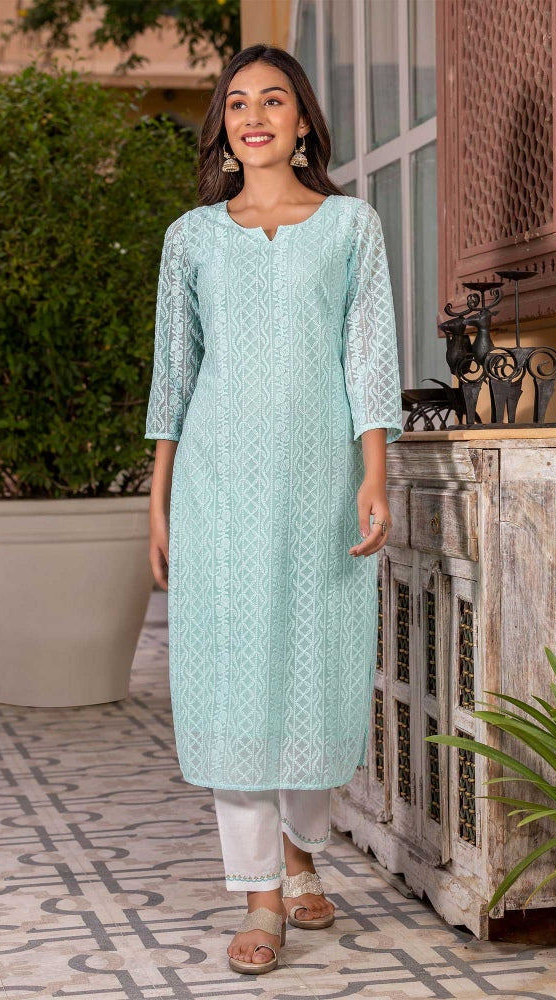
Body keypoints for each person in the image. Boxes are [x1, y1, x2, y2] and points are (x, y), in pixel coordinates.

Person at [144, 43, 403, 976]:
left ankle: (300, 856)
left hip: (319, 484)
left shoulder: (350, 228)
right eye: (238, 102)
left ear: (302, 123)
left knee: (312, 670)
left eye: (274, 101)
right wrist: (159, 501)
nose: (254, 116)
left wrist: (374, 475)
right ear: (224, 126)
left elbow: (368, 356)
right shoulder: (191, 239)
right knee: (233, 681)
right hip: (217, 490)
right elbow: (174, 375)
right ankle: (261, 895)